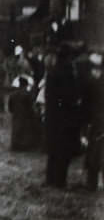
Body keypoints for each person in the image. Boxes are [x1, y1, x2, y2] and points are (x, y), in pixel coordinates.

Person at [41, 46, 85, 189]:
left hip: (52, 117)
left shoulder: (52, 73)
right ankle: (60, 181)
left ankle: (50, 179)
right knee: (64, 151)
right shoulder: (67, 73)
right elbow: (69, 96)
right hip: (65, 118)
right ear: (68, 58)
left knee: (53, 150)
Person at [82, 53, 103, 191]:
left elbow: (86, 105)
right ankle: (93, 182)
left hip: (97, 122)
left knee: (94, 152)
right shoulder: (93, 82)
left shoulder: (91, 83)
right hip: (97, 121)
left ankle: (92, 183)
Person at [7, 75, 43, 152]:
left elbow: (10, 107)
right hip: (26, 115)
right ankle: (26, 145)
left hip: (16, 115)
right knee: (26, 130)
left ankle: (16, 145)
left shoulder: (12, 94)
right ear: (26, 85)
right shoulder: (27, 94)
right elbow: (31, 105)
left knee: (16, 129)